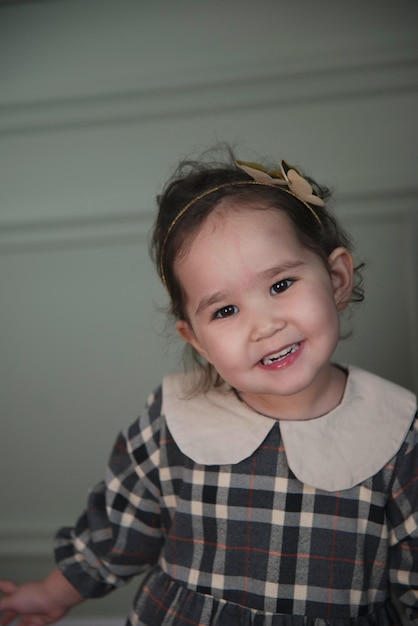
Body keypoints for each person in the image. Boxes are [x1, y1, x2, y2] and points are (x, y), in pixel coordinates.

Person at [1, 147, 417, 626]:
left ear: (337, 277)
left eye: (281, 284)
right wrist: (53, 595)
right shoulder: (176, 419)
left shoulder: (396, 433)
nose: (264, 325)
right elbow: (119, 527)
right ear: (196, 340)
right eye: (225, 311)